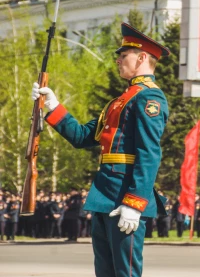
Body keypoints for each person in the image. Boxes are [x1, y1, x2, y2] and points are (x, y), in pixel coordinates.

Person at [32, 23, 170, 277]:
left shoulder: (149, 98)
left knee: (125, 272)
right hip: (105, 194)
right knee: (104, 272)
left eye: (123, 55)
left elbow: (149, 154)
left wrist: (135, 203)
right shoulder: (120, 101)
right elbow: (83, 136)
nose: (118, 60)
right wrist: (53, 106)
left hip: (125, 195)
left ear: (141, 58)